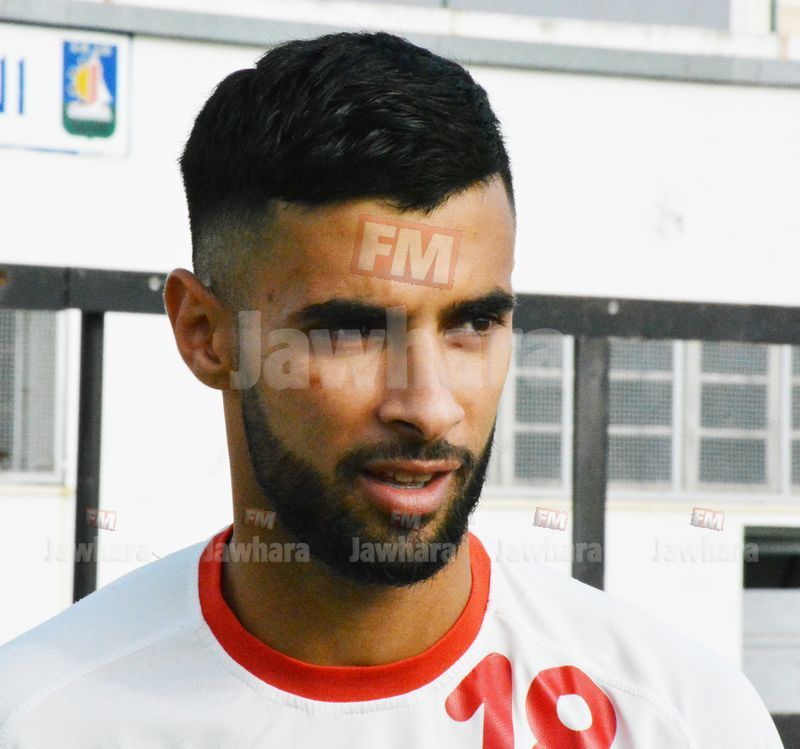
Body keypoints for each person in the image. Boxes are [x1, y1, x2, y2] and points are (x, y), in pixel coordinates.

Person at [0, 30, 784, 748]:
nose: (431, 406)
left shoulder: (682, 720)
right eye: (351, 330)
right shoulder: (41, 717)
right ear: (205, 334)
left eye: (472, 322)